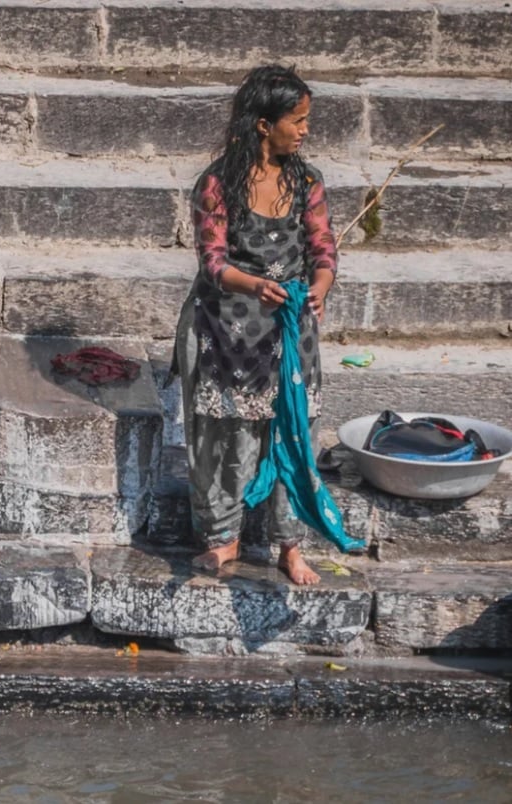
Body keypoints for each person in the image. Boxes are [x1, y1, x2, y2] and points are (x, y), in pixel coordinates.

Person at [173, 65, 342, 586]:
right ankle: (223, 538)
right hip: (227, 327)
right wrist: (254, 285)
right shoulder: (217, 183)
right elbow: (213, 260)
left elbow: (323, 246)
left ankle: (290, 547)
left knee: (293, 432)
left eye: (306, 119)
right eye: (298, 120)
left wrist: (319, 285)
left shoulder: (306, 181)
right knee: (226, 436)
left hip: (290, 330)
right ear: (264, 124)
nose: (305, 130)